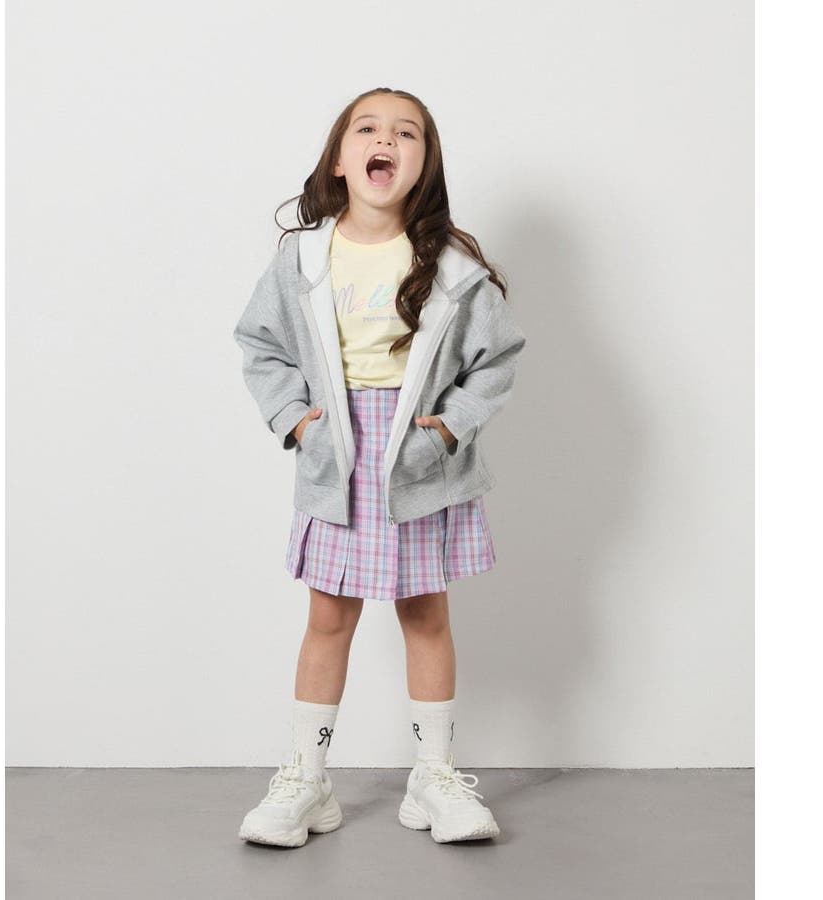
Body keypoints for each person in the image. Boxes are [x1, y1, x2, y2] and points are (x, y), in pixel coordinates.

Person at [232, 87, 527, 847]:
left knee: (425, 613)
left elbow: (496, 360)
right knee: (328, 616)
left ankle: (434, 778)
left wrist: (450, 426)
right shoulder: (302, 259)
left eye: (407, 133)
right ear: (341, 159)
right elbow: (261, 344)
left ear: (425, 164)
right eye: (367, 128)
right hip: (337, 454)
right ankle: (306, 780)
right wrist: (297, 419)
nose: (385, 139)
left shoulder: (452, 267)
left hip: (420, 456)